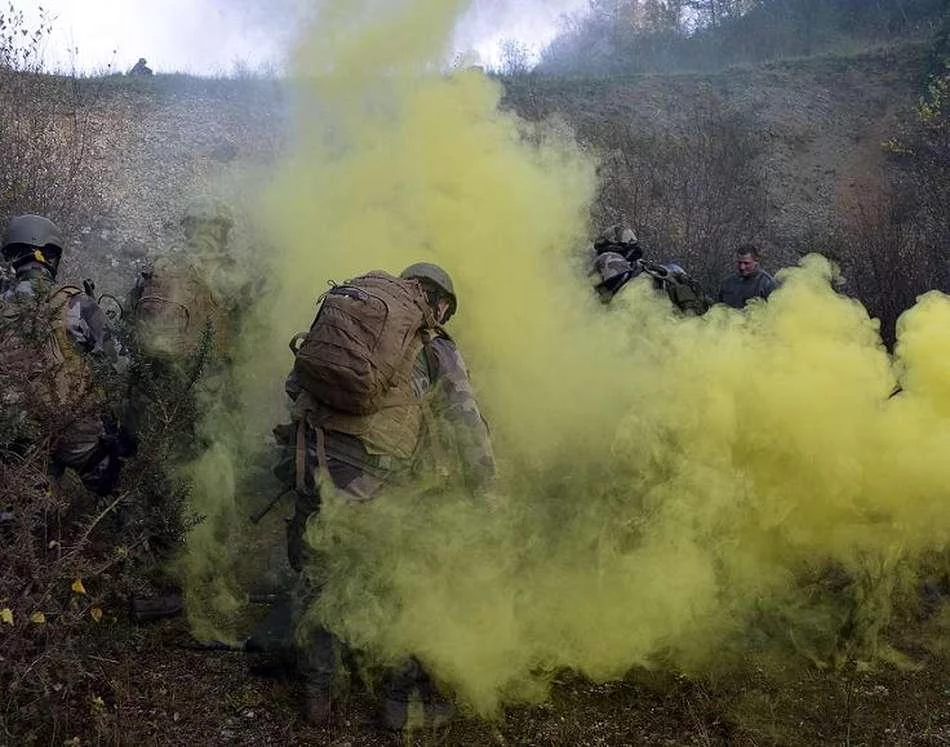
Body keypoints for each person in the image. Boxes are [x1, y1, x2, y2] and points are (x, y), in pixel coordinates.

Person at [274, 261, 495, 729]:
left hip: (312, 465)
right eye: (446, 310)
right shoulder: (434, 346)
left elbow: (295, 385)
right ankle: (402, 703)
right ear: (438, 302)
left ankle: (318, 695)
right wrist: (485, 488)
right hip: (375, 480)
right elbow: (467, 422)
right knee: (404, 581)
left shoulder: (349, 322)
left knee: (320, 574)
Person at [0, 214, 131, 495]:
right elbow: (122, 363)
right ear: (52, 257)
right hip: (78, 434)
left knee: (26, 515)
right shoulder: (77, 303)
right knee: (121, 497)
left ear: (11, 256)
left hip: (18, 436)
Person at [589, 224, 643, 303]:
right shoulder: (609, 256)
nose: (630, 241)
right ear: (613, 241)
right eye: (626, 237)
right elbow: (622, 288)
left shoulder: (634, 263)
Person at [717, 244, 778, 309]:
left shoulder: (767, 284)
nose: (742, 267)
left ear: (756, 261)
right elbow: (720, 308)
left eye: (746, 263)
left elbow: (776, 312)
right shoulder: (727, 283)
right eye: (739, 262)